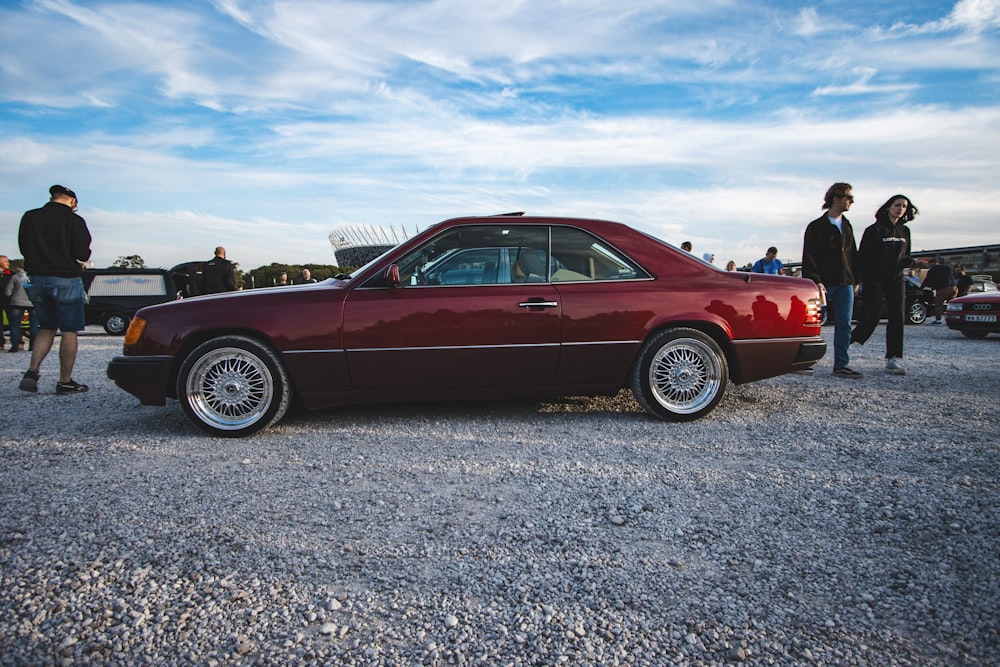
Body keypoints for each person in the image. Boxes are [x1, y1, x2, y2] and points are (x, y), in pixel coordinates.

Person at [17, 185, 93, 394]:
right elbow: (83, 254)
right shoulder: (74, 220)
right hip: (66, 278)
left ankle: (33, 370)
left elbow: (24, 247)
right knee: (69, 330)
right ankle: (65, 380)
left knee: (46, 326)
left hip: (38, 279)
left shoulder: (30, 217)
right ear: (72, 201)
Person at [851, 194, 918, 376]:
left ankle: (893, 358)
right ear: (888, 207)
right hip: (875, 279)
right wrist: (859, 280)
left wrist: (908, 262)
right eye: (897, 205)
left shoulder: (905, 232)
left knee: (897, 317)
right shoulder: (874, 230)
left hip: (896, 279)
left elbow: (905, 254)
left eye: (904, 206)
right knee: (871, 318)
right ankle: (847, 342)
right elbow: (863, 257)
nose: (901, 209)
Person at [802, 182, 861, 378]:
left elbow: (853, 253)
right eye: (849, 198)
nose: (851, 201)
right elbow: (809, 256)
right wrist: (815, 280)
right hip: (823, 284)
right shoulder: (816, 227)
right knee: (812, 324)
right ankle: (802, 362)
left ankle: (841, 364)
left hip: (846, 282)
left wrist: (856, 279)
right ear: (837, 198)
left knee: (844, 323)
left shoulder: (847, 225)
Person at [4, 263, 37, 352]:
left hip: (17, 302)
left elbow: (7, 292)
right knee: (34, 325)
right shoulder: (36, 277)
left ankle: (15, 346)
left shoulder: (15, 277)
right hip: (33, 302)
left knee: (15, 325)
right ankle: (33, 346)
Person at [921, 257, 957, 324]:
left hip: (943, 289)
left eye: (929, 264)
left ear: (932, 263)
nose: (928, 266)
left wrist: (920, 288)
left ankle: (938, 320)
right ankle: (953, 320)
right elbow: (955, 276)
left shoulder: (933, 270)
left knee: (938, 304)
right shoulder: (948, 268)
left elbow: (927, 280)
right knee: (951, 305)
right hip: (954, 288)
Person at [0, 254, 12, 350]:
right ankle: (1, 343)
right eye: (5, 261)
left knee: (13, 322)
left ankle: (18, 342)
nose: (8, 263)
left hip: (9, 301)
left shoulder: (11, 274)